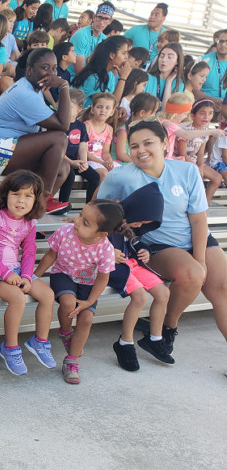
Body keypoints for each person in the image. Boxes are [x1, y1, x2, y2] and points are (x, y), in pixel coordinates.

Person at [98, 120, 227, 365]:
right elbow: (98, 209)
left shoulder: (187, 171)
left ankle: (161, 332)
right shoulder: (121, 175)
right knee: (191, 274)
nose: (140, 150)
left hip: (195, 237)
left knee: (223, 289)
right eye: (134, 146)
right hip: (155, 245)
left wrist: (200, 259)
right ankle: (168, 330)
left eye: (148, 143)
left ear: (165, 143)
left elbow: (199, 221)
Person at [0, 171, 56, 376]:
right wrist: (6, 274)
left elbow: (29, 251)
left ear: (35, 200)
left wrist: (26, 276)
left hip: (16, 271)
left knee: (48, 295)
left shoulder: (30, 222)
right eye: (16, 194)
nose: (21, 200)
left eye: (28, 196)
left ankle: (39, 341)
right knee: (18, 298)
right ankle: (9, 348)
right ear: (6, 195)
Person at [0, 48, 71, 214]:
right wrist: (63, 86)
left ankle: (33, 212)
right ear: (30, 70)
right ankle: (43, 199)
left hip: (5, 150)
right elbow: (63, 126)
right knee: (59, 137)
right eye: (45, 67)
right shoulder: (25, 94)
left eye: (54, 68)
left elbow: (58, 122)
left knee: (63, 167)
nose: (51, 73)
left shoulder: (33, 90)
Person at [34, 199, 121, 385]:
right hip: (62, 274)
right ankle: (65, 332)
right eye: (81, 214)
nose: (78, 221)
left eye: (86, 222)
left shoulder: (106, 248)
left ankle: (71, 361)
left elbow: (103, 278)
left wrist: (89, 302)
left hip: (88, 282)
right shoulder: (65, 233)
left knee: (87, 319)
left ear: (101, 233)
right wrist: (34, 277)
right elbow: (51, 255)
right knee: (67, 303)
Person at [108, 184, 174, 371]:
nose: (139, 226)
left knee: (163, 293)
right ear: (133, 211)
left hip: (132, 264)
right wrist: (109, 252)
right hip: (114, 266)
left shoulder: (129, 225)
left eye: (143, 224)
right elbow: (93, 239)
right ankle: (125, 342)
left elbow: (136, 241)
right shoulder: (107, 216)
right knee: (140, 297)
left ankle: (155, 338)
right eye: (140, 221)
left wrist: (145, 250)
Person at [59, 89, 100, 204]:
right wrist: (71, 163)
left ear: (79, 108)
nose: (65, 108)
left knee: (95, 177)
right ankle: (63, 205)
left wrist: (83, 162)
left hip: (75, 161)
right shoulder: (58, 124)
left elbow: (82, 147)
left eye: (70, 106)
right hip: (61, 161)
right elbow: (57, 149)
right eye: (62, 104)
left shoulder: (81, 126)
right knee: (70, 174)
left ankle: (88, 206)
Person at [180, 99, 225, 202]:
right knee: (197, 177)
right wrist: (196, 167)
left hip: (195, 161)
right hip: (183, 161)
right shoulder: (186, 130)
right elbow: (182, 153)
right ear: (193, 115)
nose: (206, 117)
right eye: (202, 113)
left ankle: (204, 204)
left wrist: (200, 166)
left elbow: (200, 153)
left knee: (217, 178)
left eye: (210, 113)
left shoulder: (206, 131)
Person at [71, 35, 130, 108]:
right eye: (124, 53)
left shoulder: (110, 75)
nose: (126, 57)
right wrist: (123, 78)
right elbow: (108, 105)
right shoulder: (94, 78)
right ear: (112, 55)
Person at [111, 91, 159, 167]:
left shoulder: (141, 130)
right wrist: (140, 161)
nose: (155, 115)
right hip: (120, 164)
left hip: (134, 162)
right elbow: (120, 154)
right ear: (142, 113)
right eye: (153, 112)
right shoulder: (123, 131)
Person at [82, 91, 118, 182]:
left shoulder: (109, 129)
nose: (103, 110)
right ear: (92, 109)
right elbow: (84, 152)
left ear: (112, 112)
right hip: (88, 159)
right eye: (99, 107)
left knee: (119, 172)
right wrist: (102, 163)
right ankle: (99, 196)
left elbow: (105, 151)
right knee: (103, 173)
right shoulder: (86, 126)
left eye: (107, 108)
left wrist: (109, 161)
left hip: (101, 159)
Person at [69, 2, 114, 74]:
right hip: (73, 79)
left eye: (106, 19)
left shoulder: (105, 40)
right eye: (99, 17)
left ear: (110, 21)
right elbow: (78, 72)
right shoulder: (81, 35)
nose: (101, 22)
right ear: (94, 17)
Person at [145, 42, 185, 110]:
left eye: (170, 57)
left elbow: (167, 111)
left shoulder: (178, 84)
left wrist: (168, 83)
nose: (164, 60)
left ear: (177, 61)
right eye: (162, 56)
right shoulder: (147, 77)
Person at [198, 29, 227, 104]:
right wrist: (211, 100)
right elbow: (193, 89)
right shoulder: (204, 60)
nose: (223, 44)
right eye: (221, 41)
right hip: (205, 107)